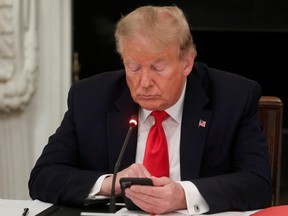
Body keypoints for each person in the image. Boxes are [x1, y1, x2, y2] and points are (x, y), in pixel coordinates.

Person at [28, 5, 272, 215]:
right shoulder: (90, 98)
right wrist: (109, 184)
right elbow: (43, 177)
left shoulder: (233, 97)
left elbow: (258, 185)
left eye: (157, 67)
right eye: (133, 68)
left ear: (187, 62)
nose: (144, 82)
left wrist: (183, 195)